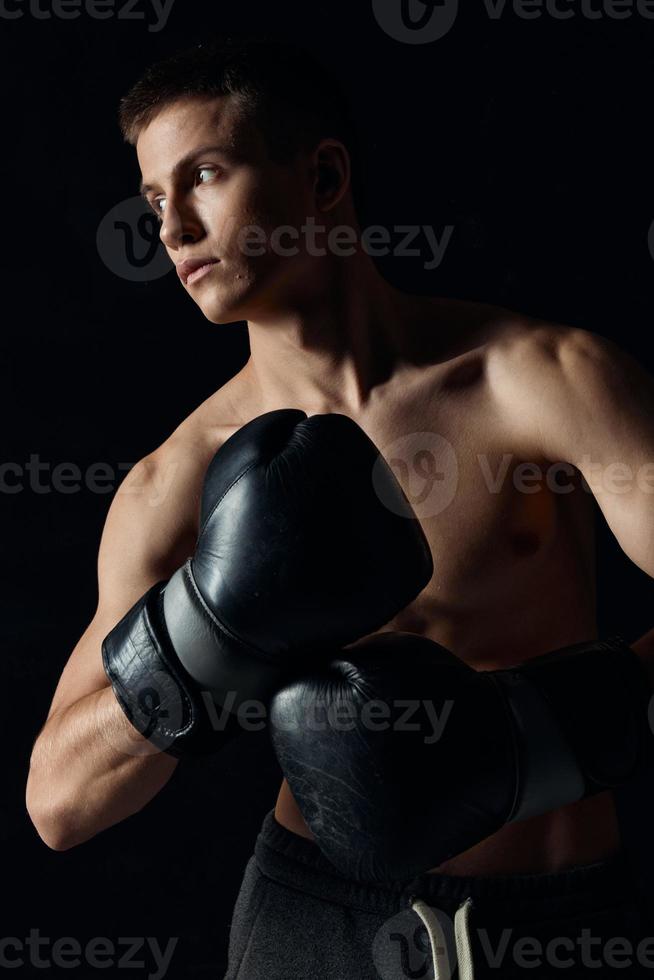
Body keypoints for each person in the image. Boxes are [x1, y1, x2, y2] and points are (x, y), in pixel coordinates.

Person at [26, 36, 654, 979]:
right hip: (317, 929)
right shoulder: (178, 482)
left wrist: (538, 739)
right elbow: (58, 804)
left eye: (204, 175)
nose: (172, 231)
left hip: (570, 918)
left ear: (321, 176)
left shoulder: (540, 381)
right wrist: (207, 630)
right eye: (156, 198)